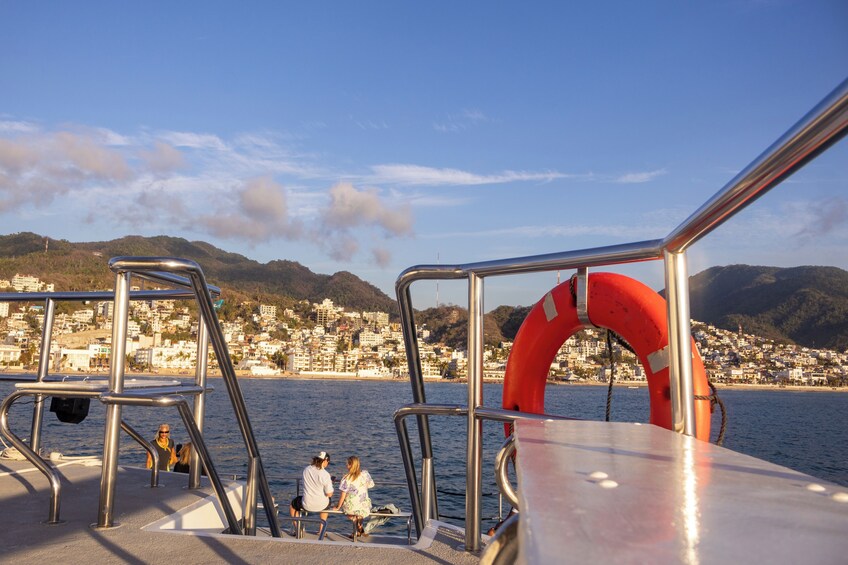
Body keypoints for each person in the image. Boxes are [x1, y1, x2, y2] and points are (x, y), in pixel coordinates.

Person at [289, 451, 334, 533]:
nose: (328, 464)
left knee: (293, 505)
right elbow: (329, 494)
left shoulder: (306, 470)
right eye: (328, 462)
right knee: (328, 501)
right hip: (322, 505)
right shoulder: (325, 474)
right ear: (325, 461)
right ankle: (321, 531)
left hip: (306, 504)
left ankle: (297, 529)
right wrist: (330, 482)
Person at [334, 455, 374, 538]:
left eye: (347, 464)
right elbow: (371, 485)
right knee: (360, 510)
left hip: (350, 507)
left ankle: (357, 529)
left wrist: (338, 506)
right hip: (365, 506)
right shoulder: (365, 474)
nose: (346, 466)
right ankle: (359, 529)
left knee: (351, 512)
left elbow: (343, 495)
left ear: (350, 465)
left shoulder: (346, 478)